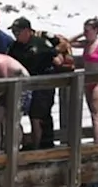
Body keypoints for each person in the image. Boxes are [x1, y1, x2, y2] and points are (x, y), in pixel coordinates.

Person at [6, 17, 60, 150]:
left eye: (18, 31)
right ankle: (35, 144)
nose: (15, 34)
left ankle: (42, 146)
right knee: (30, 115)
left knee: (39, 115)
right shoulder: (14, 47)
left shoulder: (40, 43)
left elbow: (57, 58)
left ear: (27, 31)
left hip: (44, 84)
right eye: (14, 32)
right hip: (26, 85)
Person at [70, 17, 98, 143]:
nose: (86, 32)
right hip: (87, 81)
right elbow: (69, 42)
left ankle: (96, 144)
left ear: (96, 30)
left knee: (95, 115)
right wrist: (81, 34)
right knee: (96, 114)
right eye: (85, 30)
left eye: (88, 30)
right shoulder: (86, 43)